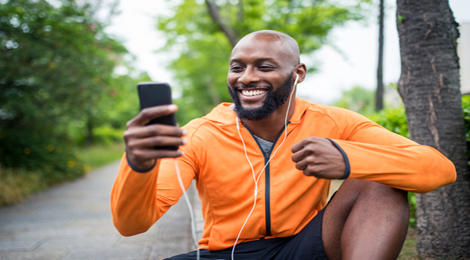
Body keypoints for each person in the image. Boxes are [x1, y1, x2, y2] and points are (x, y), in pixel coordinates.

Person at [111, 30, 456, 260]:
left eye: (264, 66)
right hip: (228, 252)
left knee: (380, 181)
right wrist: (138, 166)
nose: (246, 77)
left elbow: (439, 169)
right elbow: (132, 226)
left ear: (298, 73)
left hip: (306, 245)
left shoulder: (334, 122)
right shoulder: (200, 134)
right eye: (237, 67)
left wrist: (349, 160)